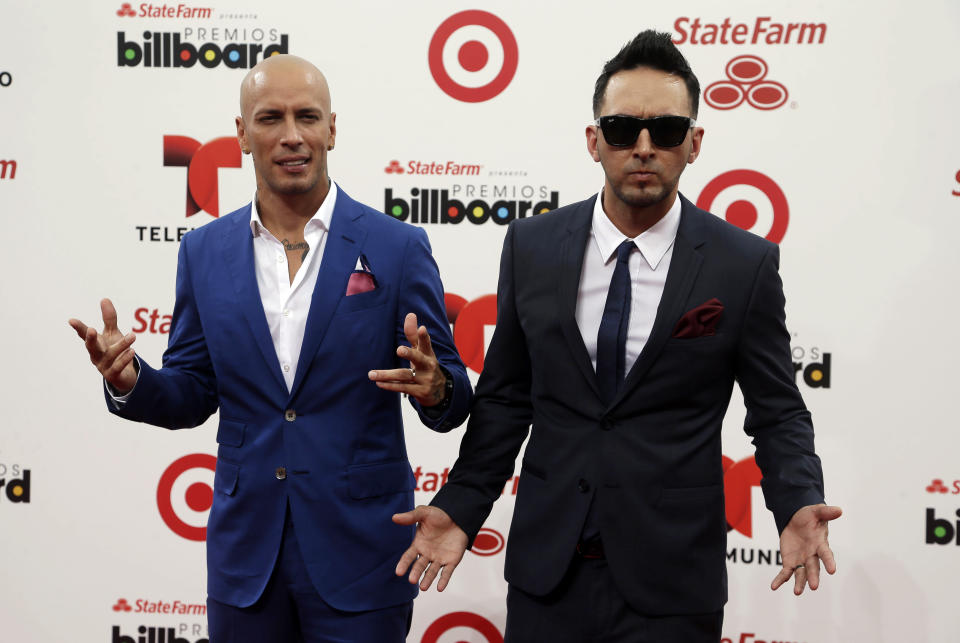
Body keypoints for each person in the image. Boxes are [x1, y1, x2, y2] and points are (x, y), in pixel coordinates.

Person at [393, 31, 841, 642]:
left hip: (672, 580)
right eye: (625, 129)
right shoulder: (532, 247)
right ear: (595, 141)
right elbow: (504, 400)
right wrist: (463, 506)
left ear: (695, 143)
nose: (645, 148)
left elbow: (778, 410)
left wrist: (796, 500)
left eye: (667, 130)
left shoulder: (743, 265)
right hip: (548, 572)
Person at [69, 54, 471, 643]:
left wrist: (438, 388)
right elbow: (191, 391)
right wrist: (131, 381)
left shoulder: (398, 246)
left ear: (332, 129)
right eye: (270, 118)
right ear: (240, 135)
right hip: (245, 557)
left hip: (361, 553)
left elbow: (454, 396)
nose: (291, 135)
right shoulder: (203, 251)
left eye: (307, 116)